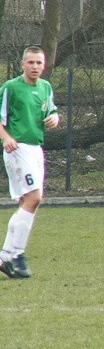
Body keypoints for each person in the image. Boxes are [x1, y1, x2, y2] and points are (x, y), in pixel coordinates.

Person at [0, 46, 59, 279]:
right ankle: (15, 254)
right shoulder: (11, 88)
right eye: (31, 62)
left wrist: (55, 117)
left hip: (36, 148)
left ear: (44, 65)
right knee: (34, 198)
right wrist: (6, 138)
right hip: (18, 148)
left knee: (29, 201)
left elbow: (51, 110)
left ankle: (7, 255)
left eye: (39, 63)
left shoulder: (45, 87)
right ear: (23, 64)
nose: (35, 67)